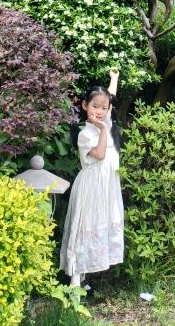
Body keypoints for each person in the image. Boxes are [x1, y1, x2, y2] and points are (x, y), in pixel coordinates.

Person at [60, 67, 124, 289]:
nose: (99, 111)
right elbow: (99, 154)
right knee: (84, 228)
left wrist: (113, 79)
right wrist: (103, 130)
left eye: (104, 108)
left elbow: (109, 98)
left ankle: (85, 276)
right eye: (94, 106)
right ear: (85, 105)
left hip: (106, 186)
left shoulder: (104, 120)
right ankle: (75, 281)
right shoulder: (85, 134)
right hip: (90, 186)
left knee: (99, 226)